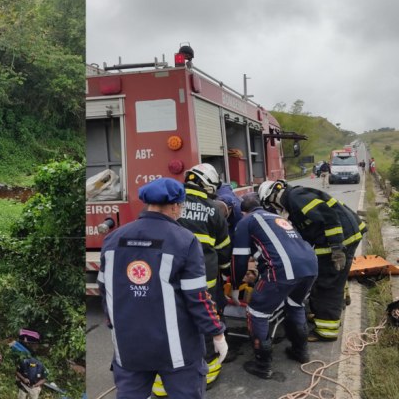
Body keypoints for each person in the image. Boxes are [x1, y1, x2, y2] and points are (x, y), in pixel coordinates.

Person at [98, 177, 227, 399]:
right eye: (181, 206)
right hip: (177, 350)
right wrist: (216, 332)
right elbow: (197, 297)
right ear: (175, 205)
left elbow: (105, 291)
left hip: (129, 347)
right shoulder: (184, 240)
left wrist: (113, 323)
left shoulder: (112, 239)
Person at [258, 180, 366, 341]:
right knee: (335, 275)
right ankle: (337, 304)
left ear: (272, 196)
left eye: (270, 205)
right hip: (345, 235)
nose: (274, 209)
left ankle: (326, 330)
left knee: (326, 284)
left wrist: (337, 248)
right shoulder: (295, 200)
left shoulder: (295, 197)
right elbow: (309, 230)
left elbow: (329, 217)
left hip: (341, 239)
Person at [231, 193, 318, 379]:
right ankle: (301, 351)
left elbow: (239, 259)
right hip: (310, 266)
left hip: (283, 270)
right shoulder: (278, 218)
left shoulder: (246, 222)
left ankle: (262, 365)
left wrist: (236, 285)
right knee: (295, 305)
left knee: (257, 312)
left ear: (244, 212)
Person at [176, 163, 231, 388]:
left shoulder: (170, 205)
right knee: (207, 321)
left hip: (171, 279)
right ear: (207, 184)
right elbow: (224, 248)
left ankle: (164, 380)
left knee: (175, 322)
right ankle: (209, 374)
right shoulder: (214, 209)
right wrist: (227, 275)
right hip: (204, 280)